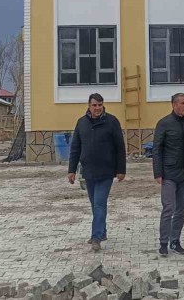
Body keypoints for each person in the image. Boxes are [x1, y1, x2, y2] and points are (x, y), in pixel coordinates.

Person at [67, 93, 126, 252]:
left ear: (103, 105)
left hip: (106, 171)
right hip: (89, 171)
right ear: (89, 106)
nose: (97, 108)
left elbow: (120, 147)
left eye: (100, 105)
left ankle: (96, 237)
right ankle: (102, 231)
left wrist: (121, 170)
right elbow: (75, 148)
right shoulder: (81, 123)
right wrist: (71, 170)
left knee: (99, 203)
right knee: (95, 204)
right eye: (94, 105)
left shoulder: (112, 122)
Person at [152, 93, 184, 257]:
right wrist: (158, 172)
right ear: (174, 105)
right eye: (182, 103)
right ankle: (163, 242)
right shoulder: (164, 123)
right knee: (169, 208)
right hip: (169, 173)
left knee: (180, 210)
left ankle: (175, 240)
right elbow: (157, 149)